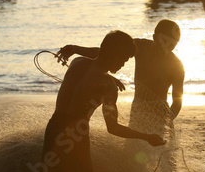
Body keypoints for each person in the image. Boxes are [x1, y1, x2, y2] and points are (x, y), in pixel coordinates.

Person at [31, 30, 165, 172]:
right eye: (123, 60)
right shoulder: (107, 86)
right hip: (74, 138)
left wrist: (81, 51)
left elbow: (97, 56)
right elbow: (113, 128)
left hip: (54, 130)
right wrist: (147, 137)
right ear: (114, 55)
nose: (123, 65)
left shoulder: (77, 63)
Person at [56, 19, 185, 126]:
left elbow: (177, 102)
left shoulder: (176, 66)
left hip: (160, 117)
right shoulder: (141, 47)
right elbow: (106, 53)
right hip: (137, 111)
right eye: (164, 43)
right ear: (155, 37)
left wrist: (168, 120)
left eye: (172, 45)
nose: (165, 50)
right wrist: (75, 49)